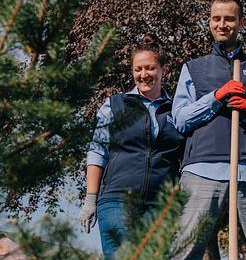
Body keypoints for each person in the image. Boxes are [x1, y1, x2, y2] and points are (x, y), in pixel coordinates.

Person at [172, 0, 246, 260]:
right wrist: (216, 96)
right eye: (216, 18)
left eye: (229, 19)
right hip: (202, 169)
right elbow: (180, 119)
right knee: (183, 252)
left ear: (240, 22)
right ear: (210, 22)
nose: (222, 24)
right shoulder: (193, 68)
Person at [79, 34, 185, 260]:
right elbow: (97, 151)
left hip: (159, 204)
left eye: (150, 68)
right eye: (138, 69)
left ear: (163, 70)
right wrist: (90, 199)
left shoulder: (176, 109)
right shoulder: (115, 105)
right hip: (117, 200)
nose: (144, 75)